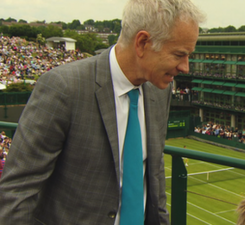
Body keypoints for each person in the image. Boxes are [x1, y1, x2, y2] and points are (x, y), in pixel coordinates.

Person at [0, 1, 205, 225]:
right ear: (143, 42)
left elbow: (153, 178)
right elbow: (17, 193)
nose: (185, 67)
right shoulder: (63, 88)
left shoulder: (160, 91)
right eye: (178, 54)